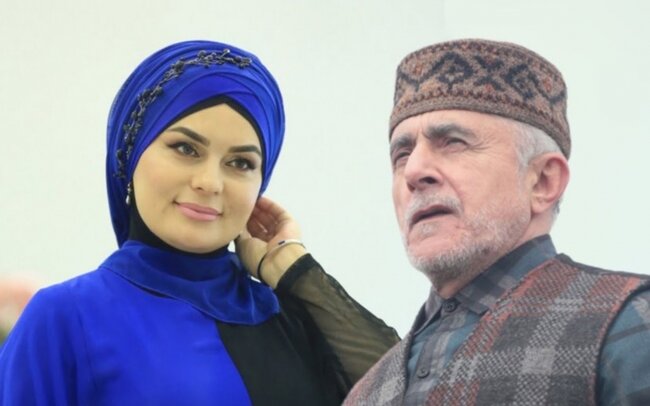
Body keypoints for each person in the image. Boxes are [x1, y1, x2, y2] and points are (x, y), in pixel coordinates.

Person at [0, 40, 398, 405]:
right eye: (185, 148)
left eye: (240, 162)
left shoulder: (287, 314)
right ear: (131, 155)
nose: (210, 182)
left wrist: (294, 269)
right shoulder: (65, 317)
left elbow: (411, 392)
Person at [343, 39, 650, 406]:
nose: (414, 172)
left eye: (453, 142)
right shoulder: (365, 393)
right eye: (402, 154)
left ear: (542, 181)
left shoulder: (631, 324)